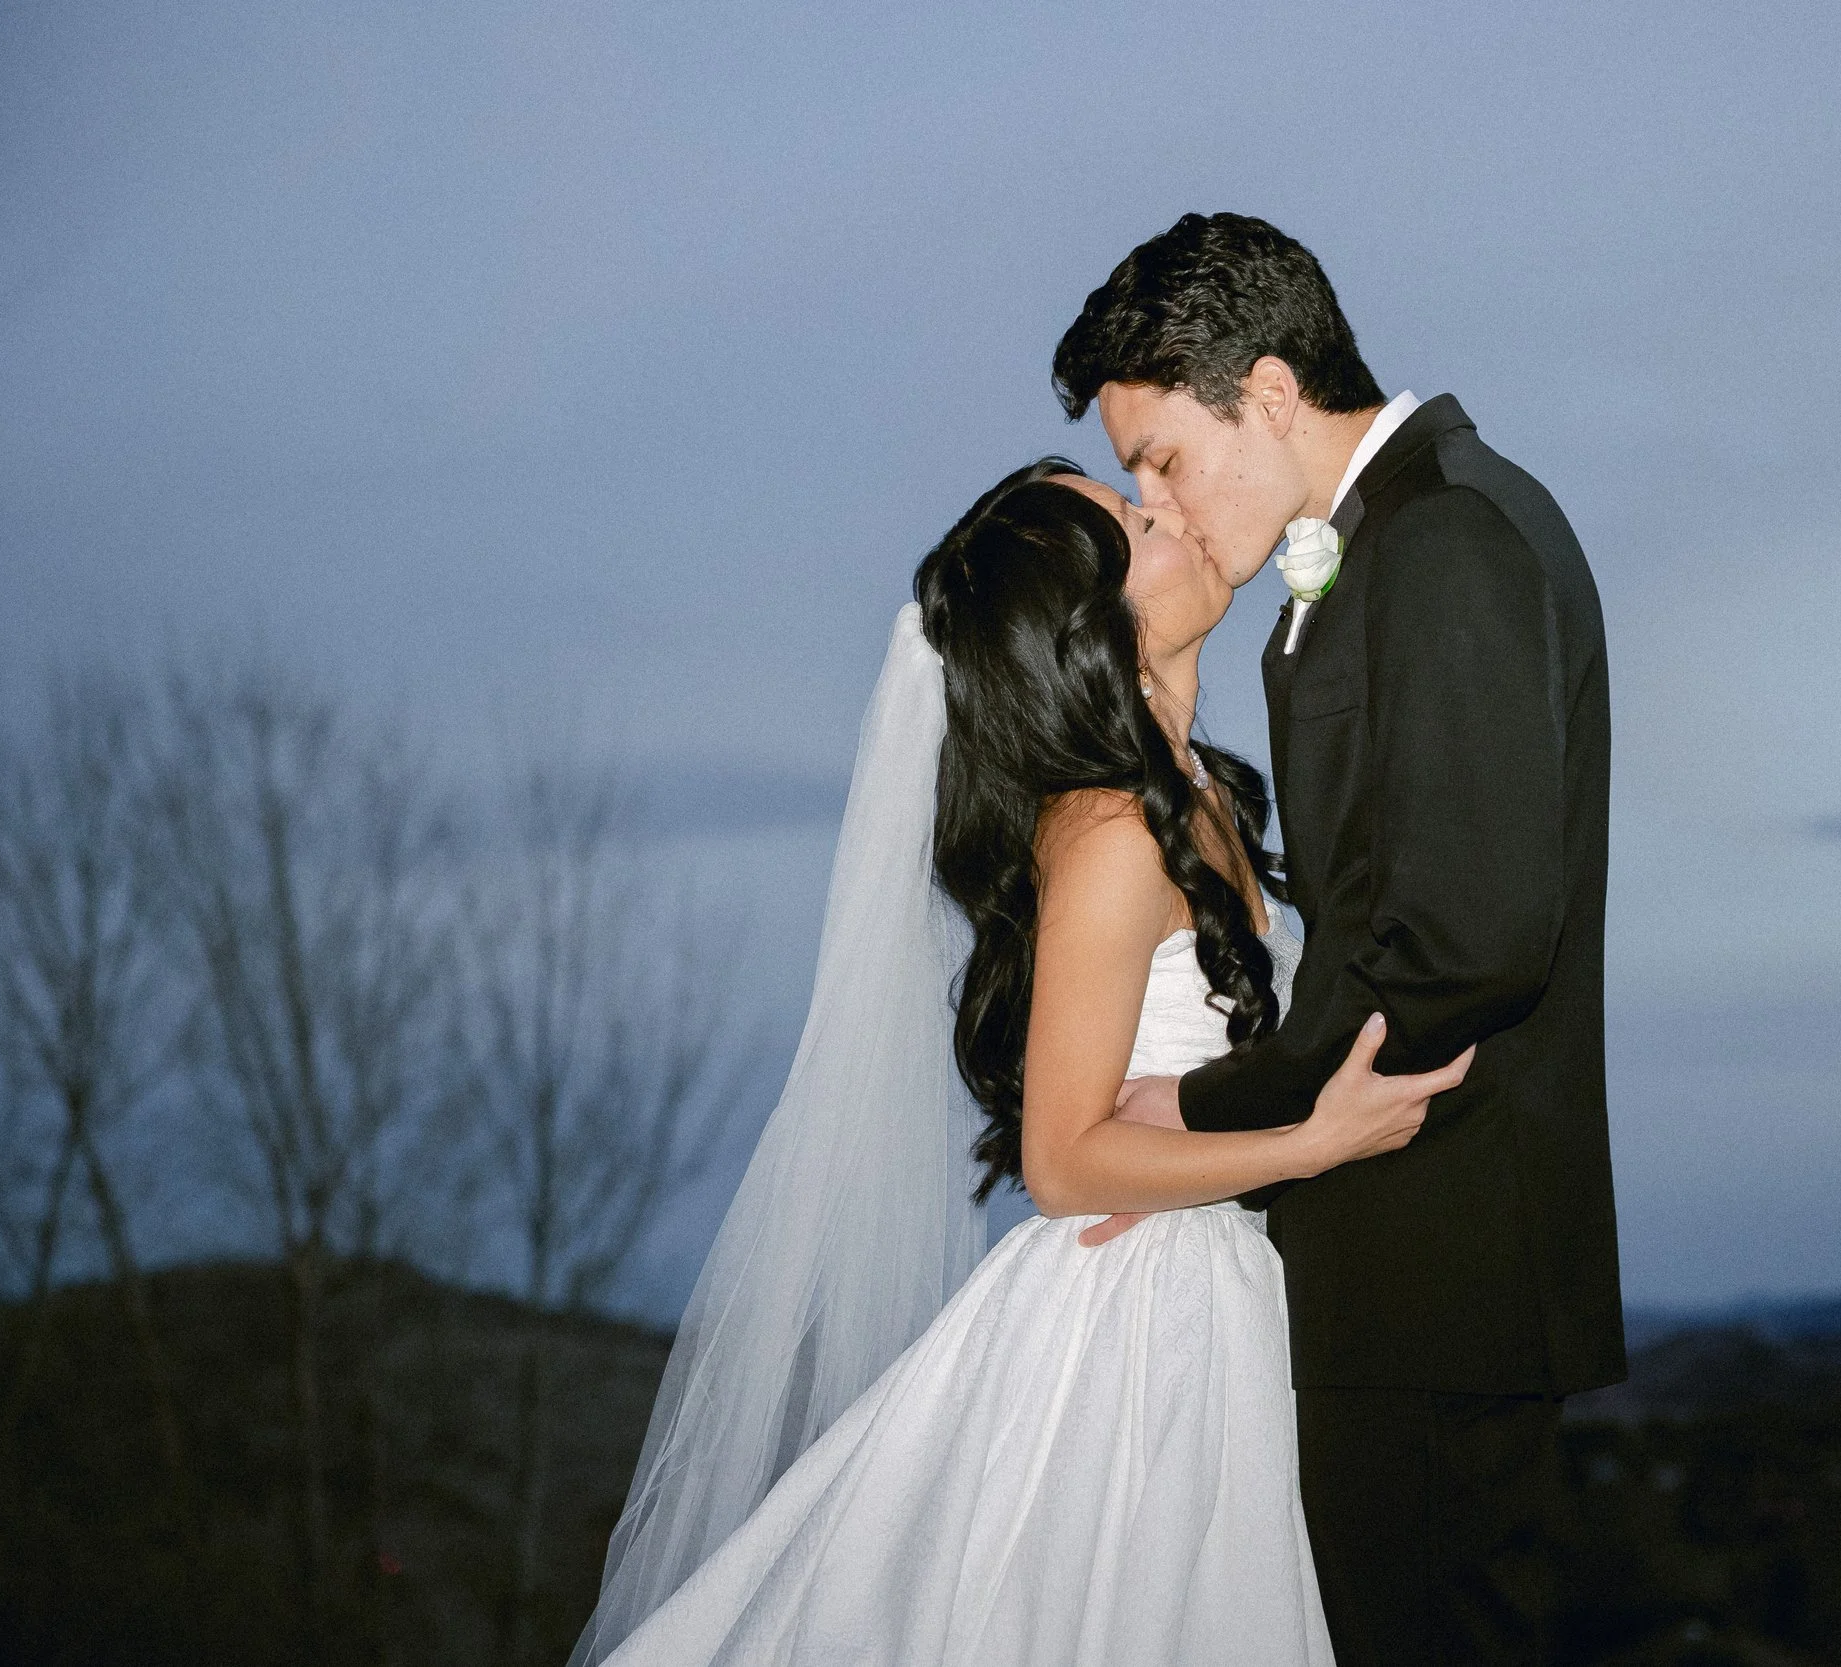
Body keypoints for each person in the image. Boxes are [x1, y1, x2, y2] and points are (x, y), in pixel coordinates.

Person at [570, 459, 1471, 1666]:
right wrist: (1319, 1141)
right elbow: (1061, 1157)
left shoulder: (1198, 794)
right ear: (1092, 630)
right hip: (1142, 1324)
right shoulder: (1107, 831)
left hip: (1222, 1285)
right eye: (1137, 523)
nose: (1175, 514)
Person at [1053, 212, 1628, 1664]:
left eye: (1164, 459)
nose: (1160, 504)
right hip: (1403, 1263)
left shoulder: (1444, 541)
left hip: (1439, 1261)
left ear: (1263, 392)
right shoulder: (1380, 549)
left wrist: (1195, 1104)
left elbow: (1471, 941)